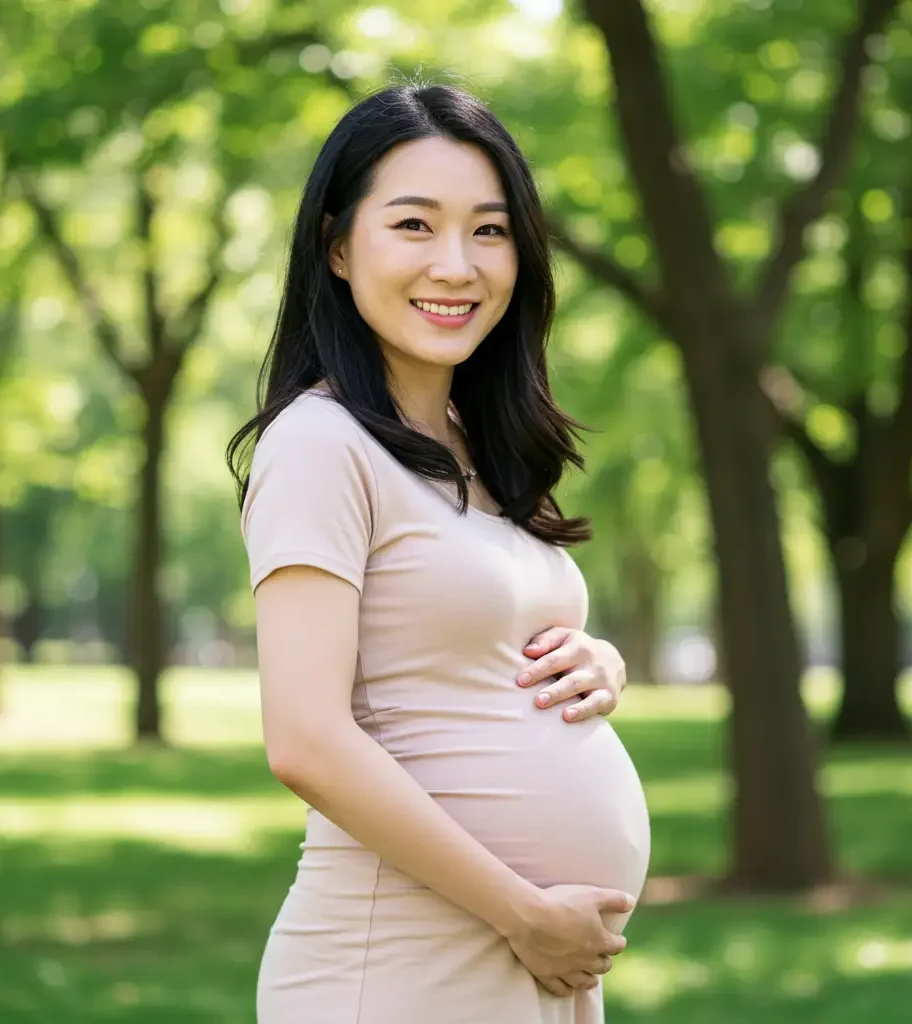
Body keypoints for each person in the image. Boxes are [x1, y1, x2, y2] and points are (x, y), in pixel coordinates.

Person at [227, 82, 651, 1024]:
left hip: (526, 963)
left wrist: (594, 663)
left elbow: (455, 644)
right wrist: (523, 913)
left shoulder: (478, 446)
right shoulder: (319, 444)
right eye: (414, 225)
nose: (456, 265)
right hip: (407, 963)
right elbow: (305, 741)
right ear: (339, 247)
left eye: (489, 231)